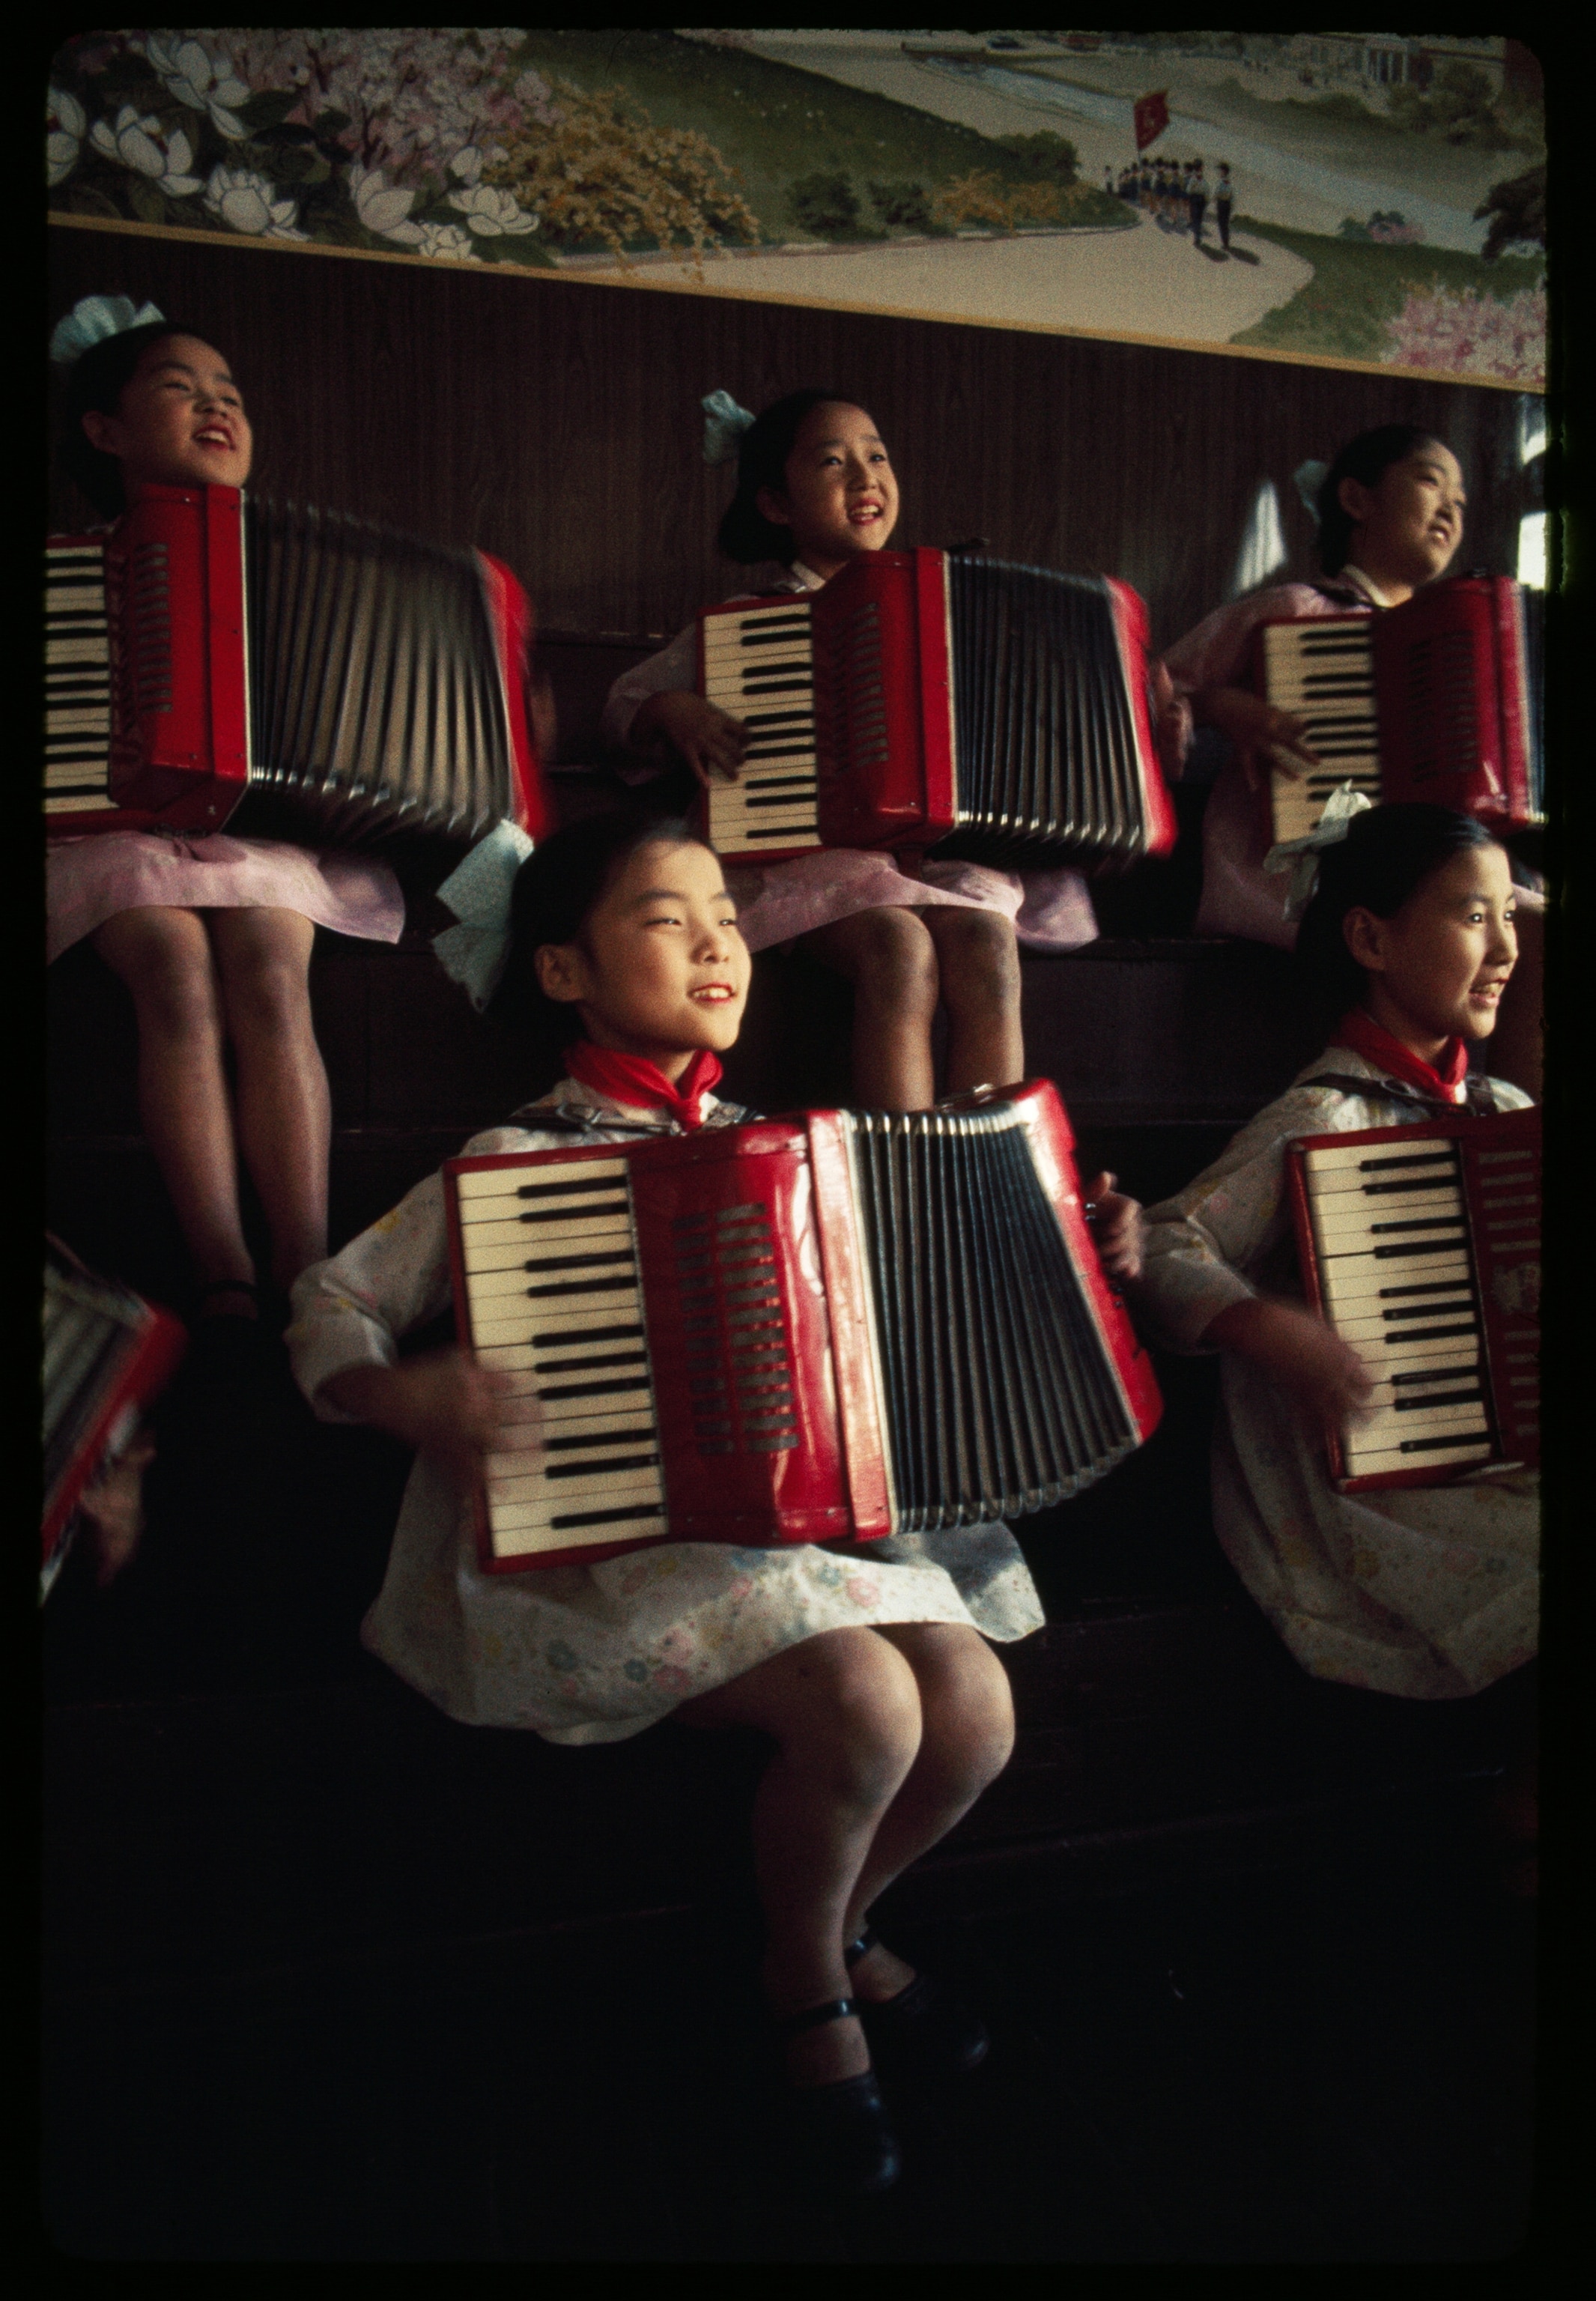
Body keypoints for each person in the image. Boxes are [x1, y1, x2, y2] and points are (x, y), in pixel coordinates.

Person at [287, 810, 1144, 2193]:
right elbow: (333, 1298)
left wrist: (1084, 1248)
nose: (716, 942)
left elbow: (934, 1309)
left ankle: (844, 1925)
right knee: (869, 1702)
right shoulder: (513, 1158)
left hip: (797, 1534)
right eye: (666, 916)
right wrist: (398, 1394)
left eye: (729, 918)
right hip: (608, 1551)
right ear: (563, 971)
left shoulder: (797, 1149)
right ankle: (808, 1973)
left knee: (974, 1710)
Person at [48, 299, 407, 1344]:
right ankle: (224, 1267)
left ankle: (307, 1262)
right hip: (115, 833)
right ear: (104, 431)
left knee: (267, 962)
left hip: (256, 833)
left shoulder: (301, 566)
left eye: (230, 395)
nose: (215, 407)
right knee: (168, 965)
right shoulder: (74, 567)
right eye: (179, 387)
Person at [1128, 803, 1538, 1705]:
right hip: (1374, 1499)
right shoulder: (1325, 1119)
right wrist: (1263, 1324)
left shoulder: (1507, 1113)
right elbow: (1166, 1240)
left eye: (1511, 916)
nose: (1506, 948)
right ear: (1370, 938)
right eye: (1474, 917)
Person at [601, 389, 1111, 1110]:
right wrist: (670, 707)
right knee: (898, 951)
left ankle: (995, 1167)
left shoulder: (953, 613)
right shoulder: (750, 624)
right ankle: (900, 1174)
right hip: (804, 860)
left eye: (876, 456)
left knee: (989, 950)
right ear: (776, 504)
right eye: (832, 462)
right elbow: (621, 705)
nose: (864, 478)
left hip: (939, 857)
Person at [1158, 425, 1544, 1095]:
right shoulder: (1297, 609)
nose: (1451, 507)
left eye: (1462, 495)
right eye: (1430, 481)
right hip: (1292, 880)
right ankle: (1503, 1121)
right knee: (1523, 925)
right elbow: (1151, 684)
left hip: (1421, 883)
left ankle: (1497, 1114)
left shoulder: (1462, 646)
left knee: (1532, 919)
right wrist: (1226, 709)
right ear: (1357, 499)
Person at [1214, 163, 1234, 252]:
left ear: (1223, 171)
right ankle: (1226, 243)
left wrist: (1214, 199)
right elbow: (1232, 196)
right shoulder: (1229, 182)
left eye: (1220, 170)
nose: (1219, 172)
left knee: (1222, 224)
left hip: (1222, 204)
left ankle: (1225, 244)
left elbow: (1217, 193)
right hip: (1227, 204)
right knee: (1225, 224)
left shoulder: (1221, 182)